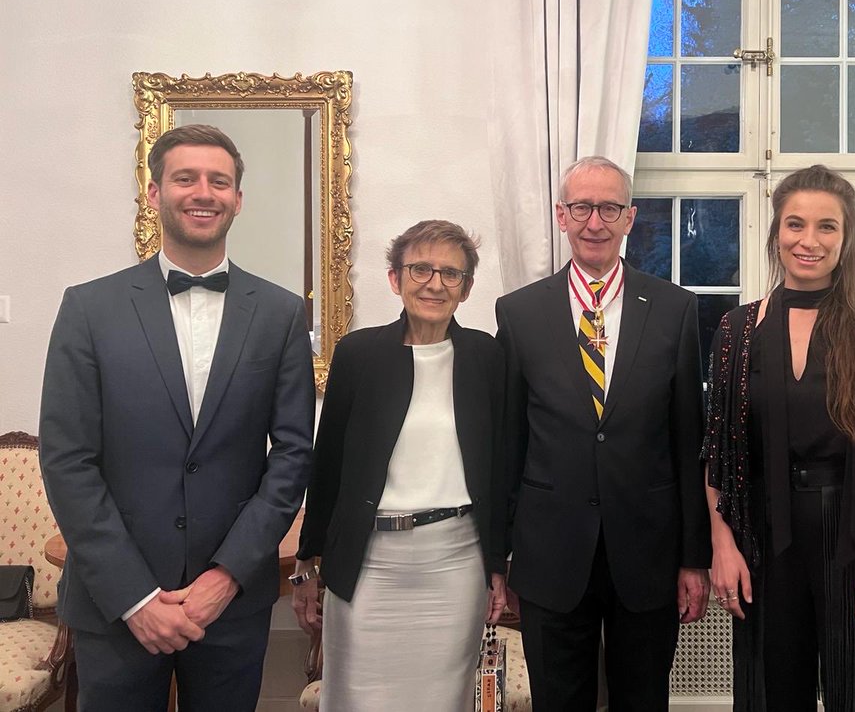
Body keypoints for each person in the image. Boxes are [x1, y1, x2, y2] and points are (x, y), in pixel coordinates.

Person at [39, 124, 315, 712]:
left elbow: (292, 454)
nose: (203, 192)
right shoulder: (87, 307)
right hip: (115, 603)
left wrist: (228, 576)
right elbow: (68, 459)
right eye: (185, 177)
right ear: (153, 191)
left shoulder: (281, 313)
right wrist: (134, 597)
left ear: (238, 199)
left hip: (230, 603)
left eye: (220, 181)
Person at [703, 164, 855, 712]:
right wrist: (722, 544)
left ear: (846, 238)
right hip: (763, 540)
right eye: (795, 225)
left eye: (826, 227)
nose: (809, 241)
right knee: (773, 693)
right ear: (775, 233)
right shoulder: (736, 332)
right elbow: (716, 452)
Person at [495, 155, 711, 712]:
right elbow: (508, 444)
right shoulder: (520, 312)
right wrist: (500, 557)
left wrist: (694, 559)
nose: (596, 222)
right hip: (550, 555)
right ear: (562, 216)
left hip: (648, 553)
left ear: (631, 218)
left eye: (609, 208)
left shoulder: (675, 309)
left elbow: (689, 443)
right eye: (583, 207)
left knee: (643, 700)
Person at [292, 220, 507, 712]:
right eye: (421, 269)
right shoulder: (358, 354)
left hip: (455, 562)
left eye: (451, 273)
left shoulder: (487, 358)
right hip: (369, 563)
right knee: (357, 699)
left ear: (467, 288)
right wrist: (307, 562)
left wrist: (498, 561)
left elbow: (499, 469)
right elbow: (328, 465)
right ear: (395, 278)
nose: (434, 283)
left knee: (441, 700)